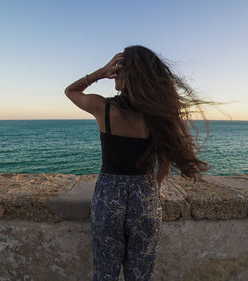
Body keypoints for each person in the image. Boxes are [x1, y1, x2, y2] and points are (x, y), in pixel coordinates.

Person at [64, 45, 210, 281]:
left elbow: (70, 91)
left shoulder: (104, 108)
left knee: (105, 272)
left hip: (108, 198)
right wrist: (156, 187)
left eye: (119, 69)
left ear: (131, 75)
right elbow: (164, 166)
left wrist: (100, 72)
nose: (115, 74)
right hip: (146, 197)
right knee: (140, 273)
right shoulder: (159, 118)